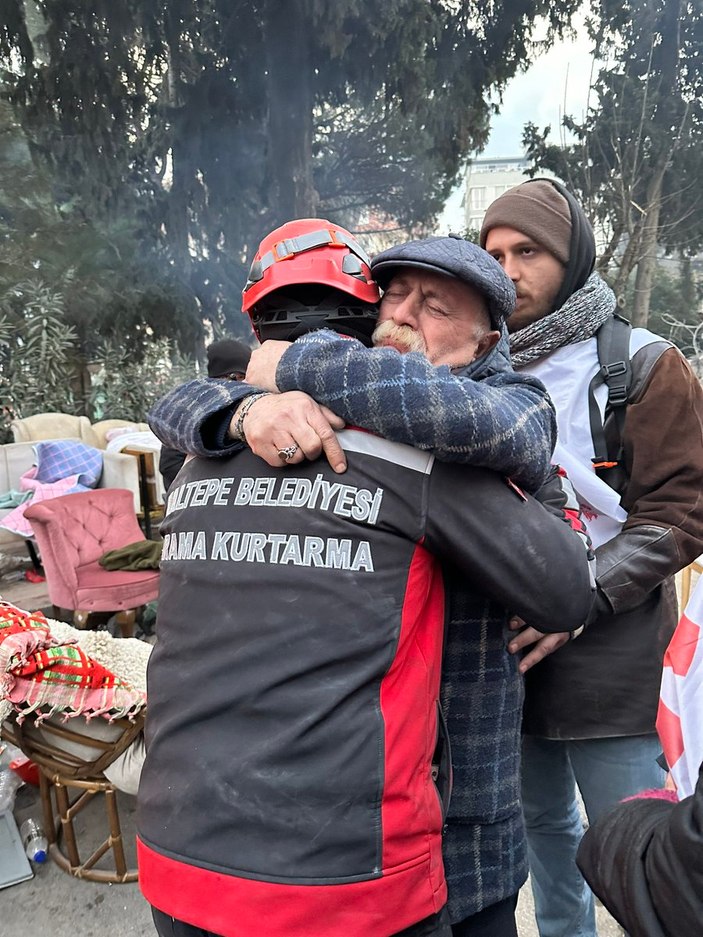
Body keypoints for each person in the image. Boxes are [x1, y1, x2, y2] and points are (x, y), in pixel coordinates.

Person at [139, 222, 596, 937]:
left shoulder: (511, 407)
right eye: (397, 295)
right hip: (354, 830)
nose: (405, 315)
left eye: (437, 306)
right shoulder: (322, 423)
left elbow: (546, 522)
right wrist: (243, 406)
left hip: (465, 811)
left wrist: (291, 364)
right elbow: (176, 406)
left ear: (485, 343)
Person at [476, 178, 703, 937]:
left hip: (614, 660)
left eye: (527, 251)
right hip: (509, 659)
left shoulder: (641, 365)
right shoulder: (480, 371)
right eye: (493, 253)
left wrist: (578, 596)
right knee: (541, 829)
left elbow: (682, 509)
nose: (506, 270)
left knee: (637, 845)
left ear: (571, 257)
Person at [158, 338, 252, 490]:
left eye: (246, 377)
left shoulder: (253, 405)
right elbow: (170, 465)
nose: (243, 384)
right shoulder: (191, 409)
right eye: (235, 377)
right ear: (217, 379)